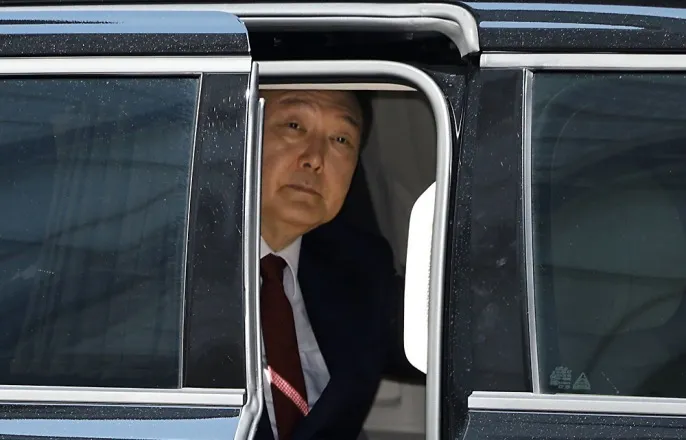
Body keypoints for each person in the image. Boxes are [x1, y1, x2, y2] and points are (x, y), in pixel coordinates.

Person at [255, 89, 396, 440]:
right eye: (293, 126)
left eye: (340, 139)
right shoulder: (177, 263)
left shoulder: (361, 267)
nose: (315, 158)